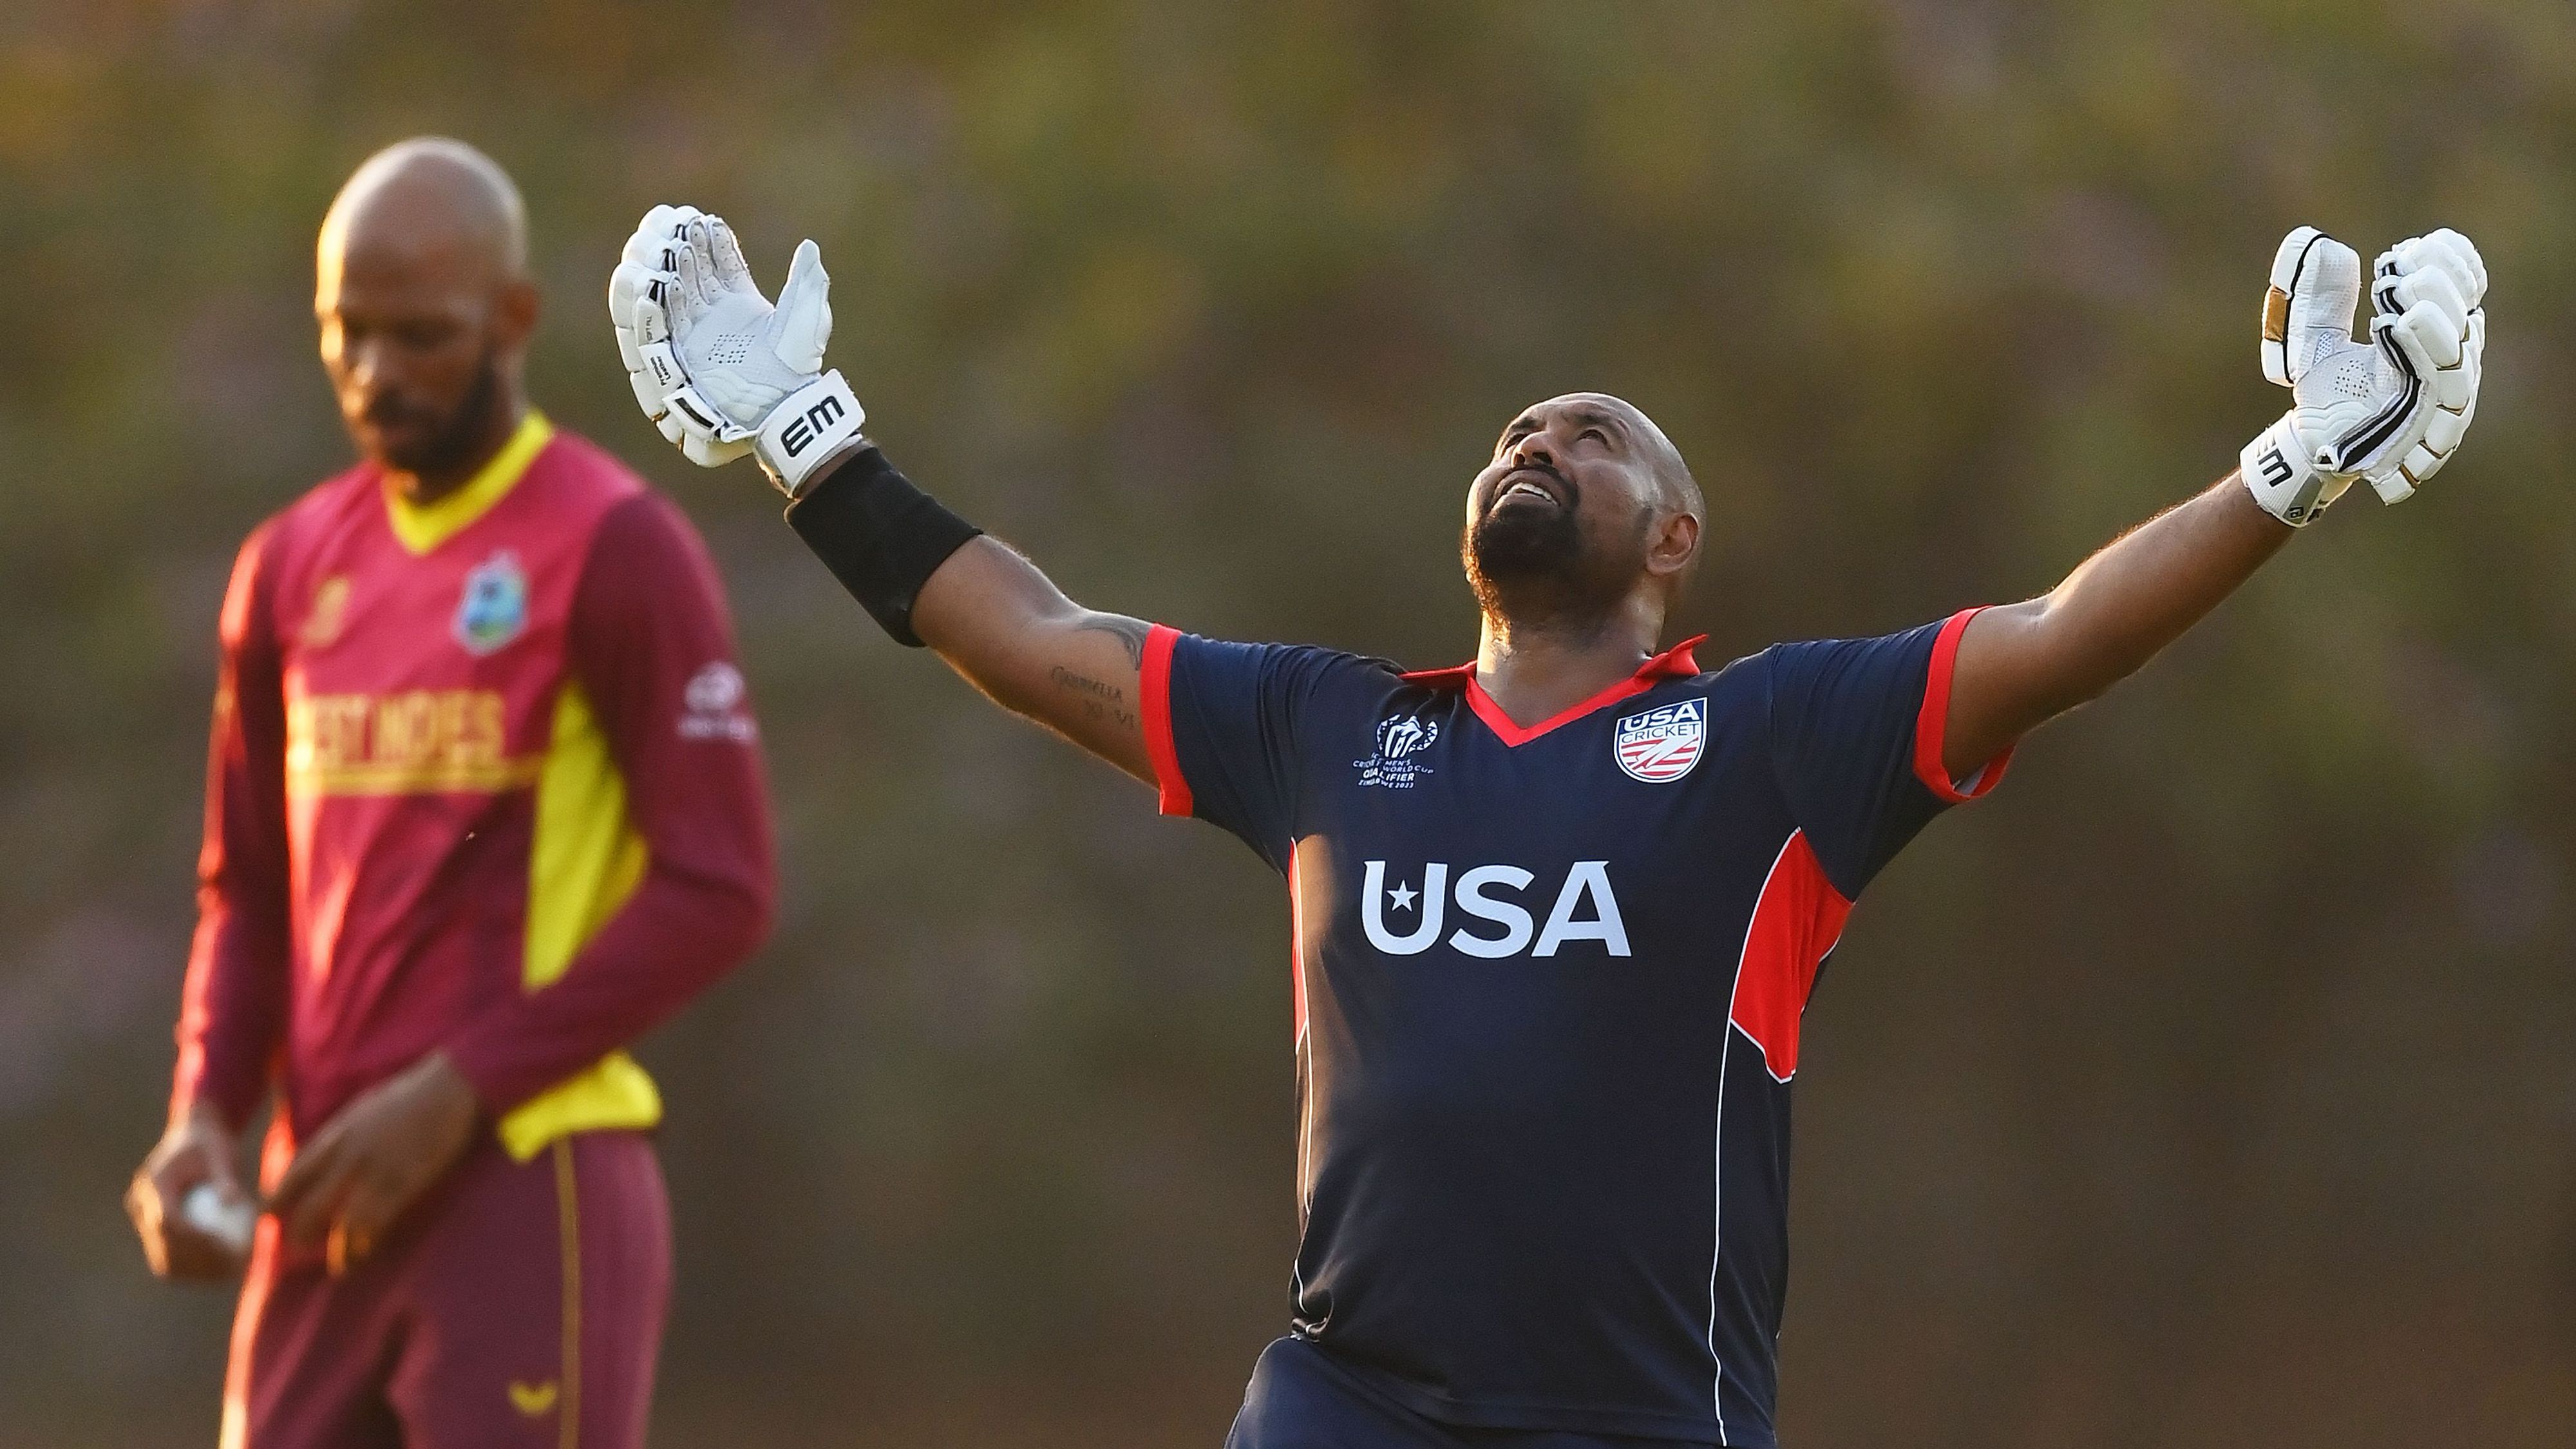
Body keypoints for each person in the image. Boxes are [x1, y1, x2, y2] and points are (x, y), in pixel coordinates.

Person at [605, 208, 2483, 1448]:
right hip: (1350, 1401)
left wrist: (2293, 462)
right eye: (1515, 431)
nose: (1537, 441)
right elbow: (1033, 641)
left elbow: (2066, 636)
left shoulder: (1773, 743)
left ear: (1674, 541)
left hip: (1642, 1417)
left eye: (1590, 436)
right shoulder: (1333, 729)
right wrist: (809, 442)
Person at [124, 142, 775, 1449]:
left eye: (418, 336)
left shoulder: (613, 544)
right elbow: (246, 890)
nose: (374, 373)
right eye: (343, 334)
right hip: (323, 1200)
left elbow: (722, 886)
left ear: (512, 319)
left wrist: (461, 1088)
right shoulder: (288, 566)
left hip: (528, 1186)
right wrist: (202, 1115)